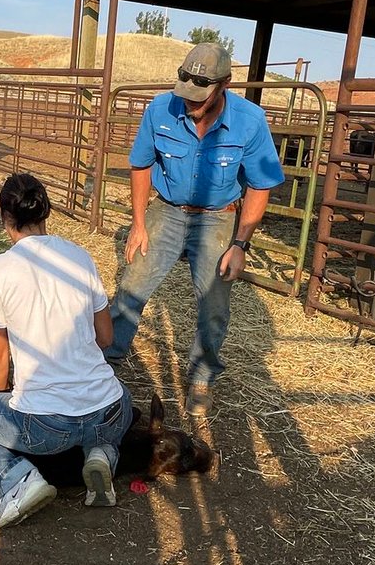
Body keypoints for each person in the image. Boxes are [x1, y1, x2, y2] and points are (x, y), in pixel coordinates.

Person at [0, 173, 133, 531]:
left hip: (47, 426)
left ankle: (15, 481)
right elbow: (105, 337)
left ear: (4, 217)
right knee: (114, 402)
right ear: (46, 211)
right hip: (112, 408)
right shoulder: (80, 256)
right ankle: (102, 452)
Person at [104, 43, 284, 427]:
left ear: (224, 85)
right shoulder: (160, 108)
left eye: (200, 96)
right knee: (132, 284)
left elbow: (260, 183)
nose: (189, 103)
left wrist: (241, 244)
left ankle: (201, 378)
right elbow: (141, 164)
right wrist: (138, 222)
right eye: (185, 92)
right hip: (167, 210)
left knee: (214, 301)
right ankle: (107, 361)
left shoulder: (250, 121)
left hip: (218, 216)